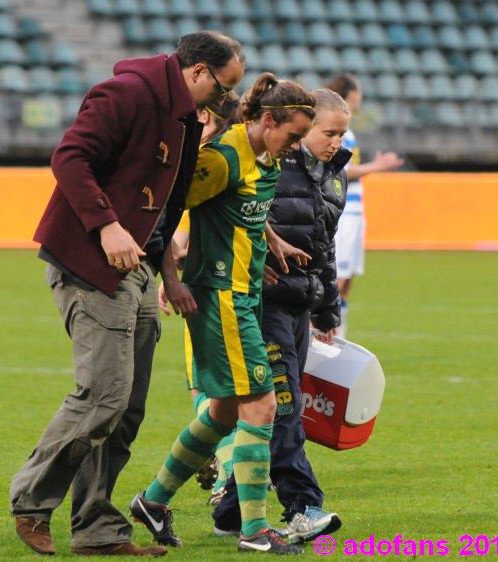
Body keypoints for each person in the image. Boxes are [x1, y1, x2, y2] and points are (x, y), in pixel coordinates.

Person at [9, 31, 245, 557]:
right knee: (104, 396)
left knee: (125, 409)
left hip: (139, 270)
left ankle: (97, 530)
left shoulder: (185, 117)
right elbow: (69, 157)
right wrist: (106, 226)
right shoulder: (126, 93)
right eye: (224, 87)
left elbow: (170, 202)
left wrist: (169, 271)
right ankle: (30, 499)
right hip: (91, 262)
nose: (225, 100)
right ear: (200, 71)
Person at [130, 73, 315, 555]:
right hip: (219, 297)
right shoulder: (222, 158)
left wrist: (271, 243)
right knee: (263, 405)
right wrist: (170, 278)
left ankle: (153, 501)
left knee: (223, 410)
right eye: (292, 135)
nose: (294, 147)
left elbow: (250, 206)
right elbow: (164, 210)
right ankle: (254, 530)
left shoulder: (265, 155)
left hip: (246, 294)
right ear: (267, 120)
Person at [212, 88, 353, 544]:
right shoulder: (270, 165)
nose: (336, 142)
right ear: (302, 128)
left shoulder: (334, 178)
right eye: (328, 132)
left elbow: (325, 250)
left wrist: (327, 307)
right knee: (284, 407)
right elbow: (233, 217)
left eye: (342, 134)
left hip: (299, 307)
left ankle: (231, 507)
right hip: (263, 303)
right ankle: (303, 505)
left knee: (274, 408)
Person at [157, 93, 242, 502]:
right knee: (236, 393)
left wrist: (170, 269)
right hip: (245, 288)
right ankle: (220, 464)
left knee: (207, 392)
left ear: (207, 116)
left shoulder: (209, 160)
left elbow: (181, 233)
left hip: (212, 290)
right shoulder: (247, 156)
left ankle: (223, 473)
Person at [324, 73, 404, 337]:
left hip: (354, 210)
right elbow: (339, 170)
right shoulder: (340, 130)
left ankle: (338, 333)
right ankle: (326, 335)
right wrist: (377, 167)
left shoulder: (349, 130)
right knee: (338, 278)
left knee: (346, 281)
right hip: (344, 211)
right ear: (351, 94)